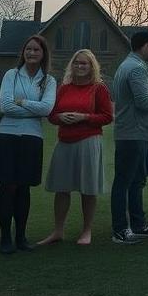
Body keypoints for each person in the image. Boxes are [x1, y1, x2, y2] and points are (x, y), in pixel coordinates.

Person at [0, 35, 57, 253]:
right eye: (28, 49)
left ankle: (21, 237)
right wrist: (32, 109)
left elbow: (47, 109)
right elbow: (5, 106)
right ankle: (5, 238)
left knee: (24, 188)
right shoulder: (11, 75)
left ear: (43, 54)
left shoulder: (49, 81)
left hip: (32, 138)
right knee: (7, 187)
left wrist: (22, 102)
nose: (32, 53)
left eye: (36, 50)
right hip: (7, 136)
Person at [39, 49, 113, 245]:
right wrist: (59, 117)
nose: (80, 66)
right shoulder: (64, 88)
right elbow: (51, 114)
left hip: (88, 141)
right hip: (64, 141)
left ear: (91, 67)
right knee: (61, 188)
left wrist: (85, 117)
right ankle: (58, 231)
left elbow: (107, 116)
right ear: (71, 65)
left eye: (84, 64)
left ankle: (86, 231)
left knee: (87, 189)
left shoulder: (99, 88)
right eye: (77, 63)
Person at [110, 29, 148, 243]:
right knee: (125, 182)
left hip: (133, 132)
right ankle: (120, 230)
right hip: (133, 133)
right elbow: (144, 102)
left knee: (136, 181)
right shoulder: (136, 68)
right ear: (144, 46)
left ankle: (138, 224)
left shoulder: (127, 65)